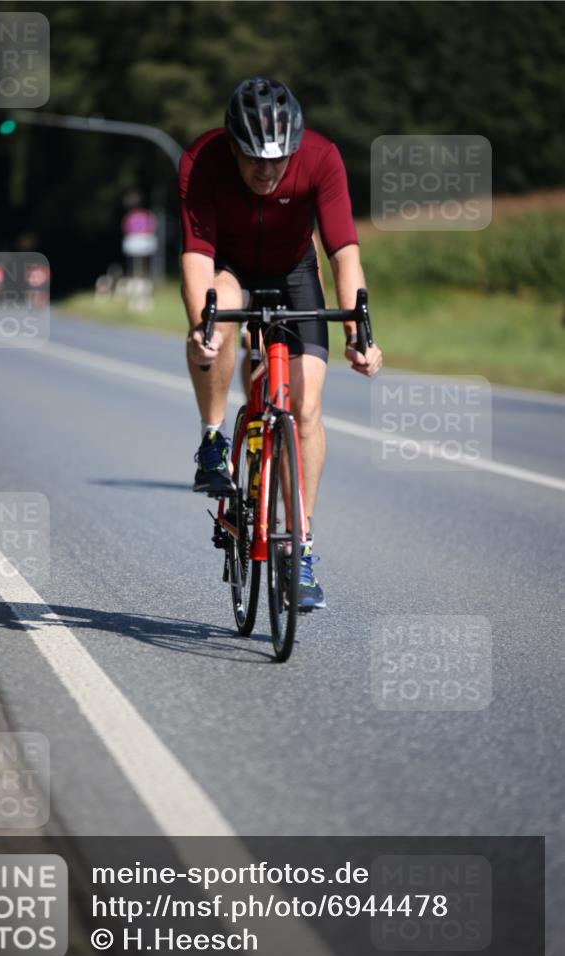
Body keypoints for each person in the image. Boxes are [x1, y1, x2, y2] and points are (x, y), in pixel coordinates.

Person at [179, 77, 383, 610]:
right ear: (232, 146)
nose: (266, 172)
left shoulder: (321, 158)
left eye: (277, 160)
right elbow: (197, 256)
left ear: (294, 145)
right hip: (229, 266)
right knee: (217, 317)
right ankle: (212, 438)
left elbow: (343, 251)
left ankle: (300, 547)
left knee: (306, 408)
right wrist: (203, 328)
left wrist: (359, 333)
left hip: (295, 272)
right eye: (253, 160)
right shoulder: (202, 160)